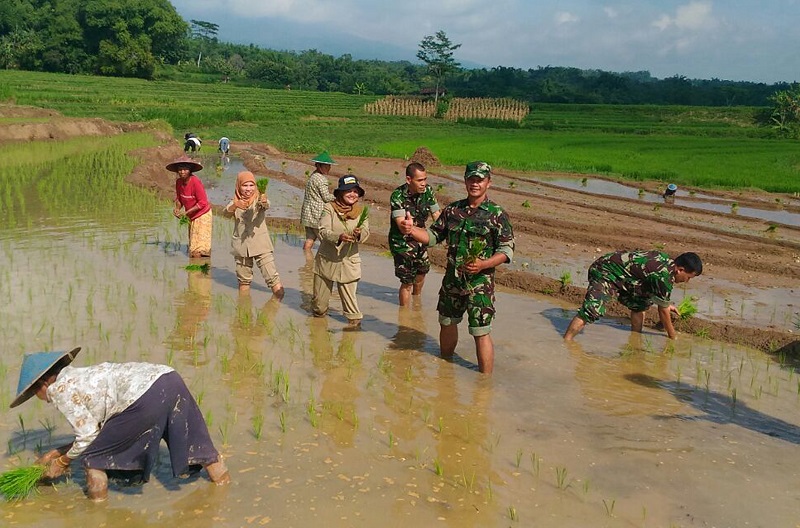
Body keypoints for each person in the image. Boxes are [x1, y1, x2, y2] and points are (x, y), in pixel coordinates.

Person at [11, 347, 230, 502]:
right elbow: (98, 433)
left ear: (41, 384)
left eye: (33, 394)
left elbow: (88, 438)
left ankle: (98, 511)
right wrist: (54, 453)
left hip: (143, 397)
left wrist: (62, 461)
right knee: (198, 446)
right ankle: (224, 490)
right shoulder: (80, 376)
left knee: (93, 459)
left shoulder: (58, 390)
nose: (39, 398)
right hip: (168, 378)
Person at [400, 161, 514, 374]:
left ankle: (484, 383)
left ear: (488, 183)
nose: (475, 183)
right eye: (471, 179)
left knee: (480, 330)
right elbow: (433, 237)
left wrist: (483, 264)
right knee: (446, 321)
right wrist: (411, 230)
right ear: (465, 181)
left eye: (480, 180)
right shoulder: (453, 210)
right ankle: (445, 371)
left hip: (480, 283)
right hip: (452, 279)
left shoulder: (497, 214)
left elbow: (506, 251)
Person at [562, 250, 703, 341]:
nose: (687, 281)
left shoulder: (666, 262)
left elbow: (657, 293)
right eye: (689, 277)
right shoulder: (664, 276)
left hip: (625, 276)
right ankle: (566, 342)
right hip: (605, 270)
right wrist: (673, 336)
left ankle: (635, 339)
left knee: (641, 303)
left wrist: (666, 304)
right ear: (680, 270)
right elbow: (662, 311)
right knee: (592, 310)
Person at [312, 175, 370, 329]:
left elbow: (366, 231)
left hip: (349, 262)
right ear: (339, 193)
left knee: (353, 312)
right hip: (327, 260)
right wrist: (339, 237)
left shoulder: (361, 211)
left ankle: (352, 336)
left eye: (355, 191)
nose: (353, 194)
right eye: (348, 191)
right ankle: (318, 335)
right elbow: (323, 231)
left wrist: (359, 234)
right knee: (319, 307)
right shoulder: (329, 208)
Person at [222, 171, 284, 297]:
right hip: (241, 246)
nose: (248, 189)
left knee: (273, 279)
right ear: (239, 186)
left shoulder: (259, 198)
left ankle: (277, 305)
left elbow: (266, 205)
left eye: (251, 185)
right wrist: (235, 205)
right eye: (245, 186)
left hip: (261, 245)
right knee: (243, 281)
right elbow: (225, 213)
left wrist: (263, 201)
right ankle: (244, 309)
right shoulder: (235, 201)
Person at [389, 162, 441, 306]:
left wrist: (445, 231)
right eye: (420, 180)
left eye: (425, 179)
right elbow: (401, 226)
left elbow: (436, 214)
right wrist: (407, 225)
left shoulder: (428, 191)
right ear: (408, 179)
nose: (423, 183)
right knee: (407, 281)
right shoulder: (397, 196)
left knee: (422, 270)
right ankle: (404, 315)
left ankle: (417, 302)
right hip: (402, 242)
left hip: (420, 239)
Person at [168, 155, 213, 258]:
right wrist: (177, 209)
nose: (182, 172)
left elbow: (202, 203)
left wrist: (186, 213)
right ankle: (196, 271)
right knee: (193, 247)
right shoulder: (179, 182)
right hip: (191, 216)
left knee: (199, 250)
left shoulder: (195, 182)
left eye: (185, 169)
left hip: (202, 215)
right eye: (180, 169)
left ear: (190, 170)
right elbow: (179, 198)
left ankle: (202, 270)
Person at [300, 151, 337, 252]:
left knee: (309, 239)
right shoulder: (321, 180)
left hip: (307, 213)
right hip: (317, 214)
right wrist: (338, 197)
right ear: (319, 166)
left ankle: (307, 261)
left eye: (329, 166)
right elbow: (326, 197)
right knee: (325, 241)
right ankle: (321, 262)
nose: (329, 168)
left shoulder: (313, 176)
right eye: (326, 166)